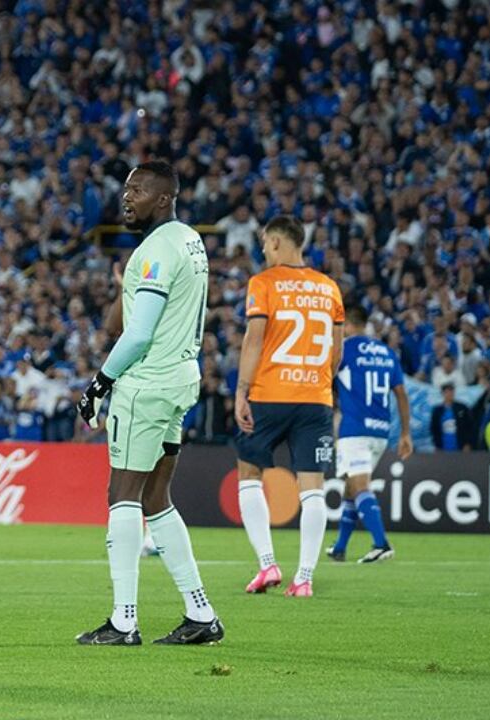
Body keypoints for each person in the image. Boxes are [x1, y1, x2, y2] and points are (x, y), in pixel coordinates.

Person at [74, 161, 221, 646]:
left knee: (122, 495)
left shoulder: (155, 251)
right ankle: (201, 614)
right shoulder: (189, 240)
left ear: (163, 198)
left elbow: (135, 334)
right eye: (126, 189)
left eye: (137, 190)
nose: (126, 198)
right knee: (157, 499)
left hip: (148, 383)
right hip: (181, 377)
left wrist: (99, 384)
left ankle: (124, 620)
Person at [233, 215, 344, 598]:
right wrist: (317, 382)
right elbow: (336, 349)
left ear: (278, 242)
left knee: (249, 474)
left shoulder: (263, 284)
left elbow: (254, 340)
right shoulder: (329, 288)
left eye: (265, 242)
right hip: (315, 398)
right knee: (313, 486)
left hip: (268, 394)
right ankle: (304, 578)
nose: (263, 249)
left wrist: (241, 392)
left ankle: (268, 565)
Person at [327, 305, 413, 564]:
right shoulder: (386, 353)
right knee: (351, 487)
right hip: (381, 430)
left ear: (348, 324)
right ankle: (340, 547)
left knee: (359, 486)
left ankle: (381, 543)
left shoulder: (344, 350)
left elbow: (325, 379)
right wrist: (405, 433)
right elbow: (400, 393)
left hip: (355, 429)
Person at [430, 383, 474, 451]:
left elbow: (469, 426)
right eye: (446, 392)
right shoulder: (437, 410)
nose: (449, 394)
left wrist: (467, 443)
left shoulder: (462, 408)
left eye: (451, 391)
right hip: (443, 445)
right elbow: (434, 428)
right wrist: (437, 445)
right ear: (442, 393)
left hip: (459, 445)